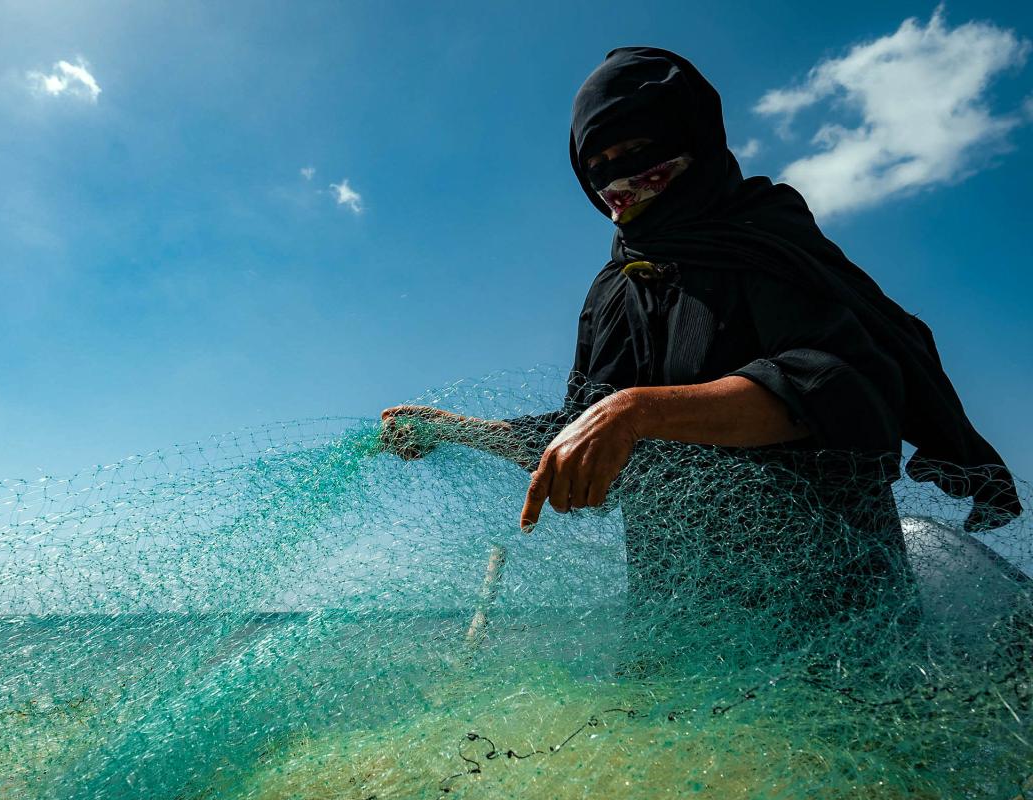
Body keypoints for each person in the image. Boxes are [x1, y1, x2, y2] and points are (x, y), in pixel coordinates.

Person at [379, 47, 1021, 547]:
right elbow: (580, 431)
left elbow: (837, 387)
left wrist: (638, 410)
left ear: (697, 139)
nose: (620, 177)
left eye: (641, 150)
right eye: (599, 164)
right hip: (679, 621)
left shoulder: (762, 241)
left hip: (827, 609)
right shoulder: (613, 291)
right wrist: (449, 431)